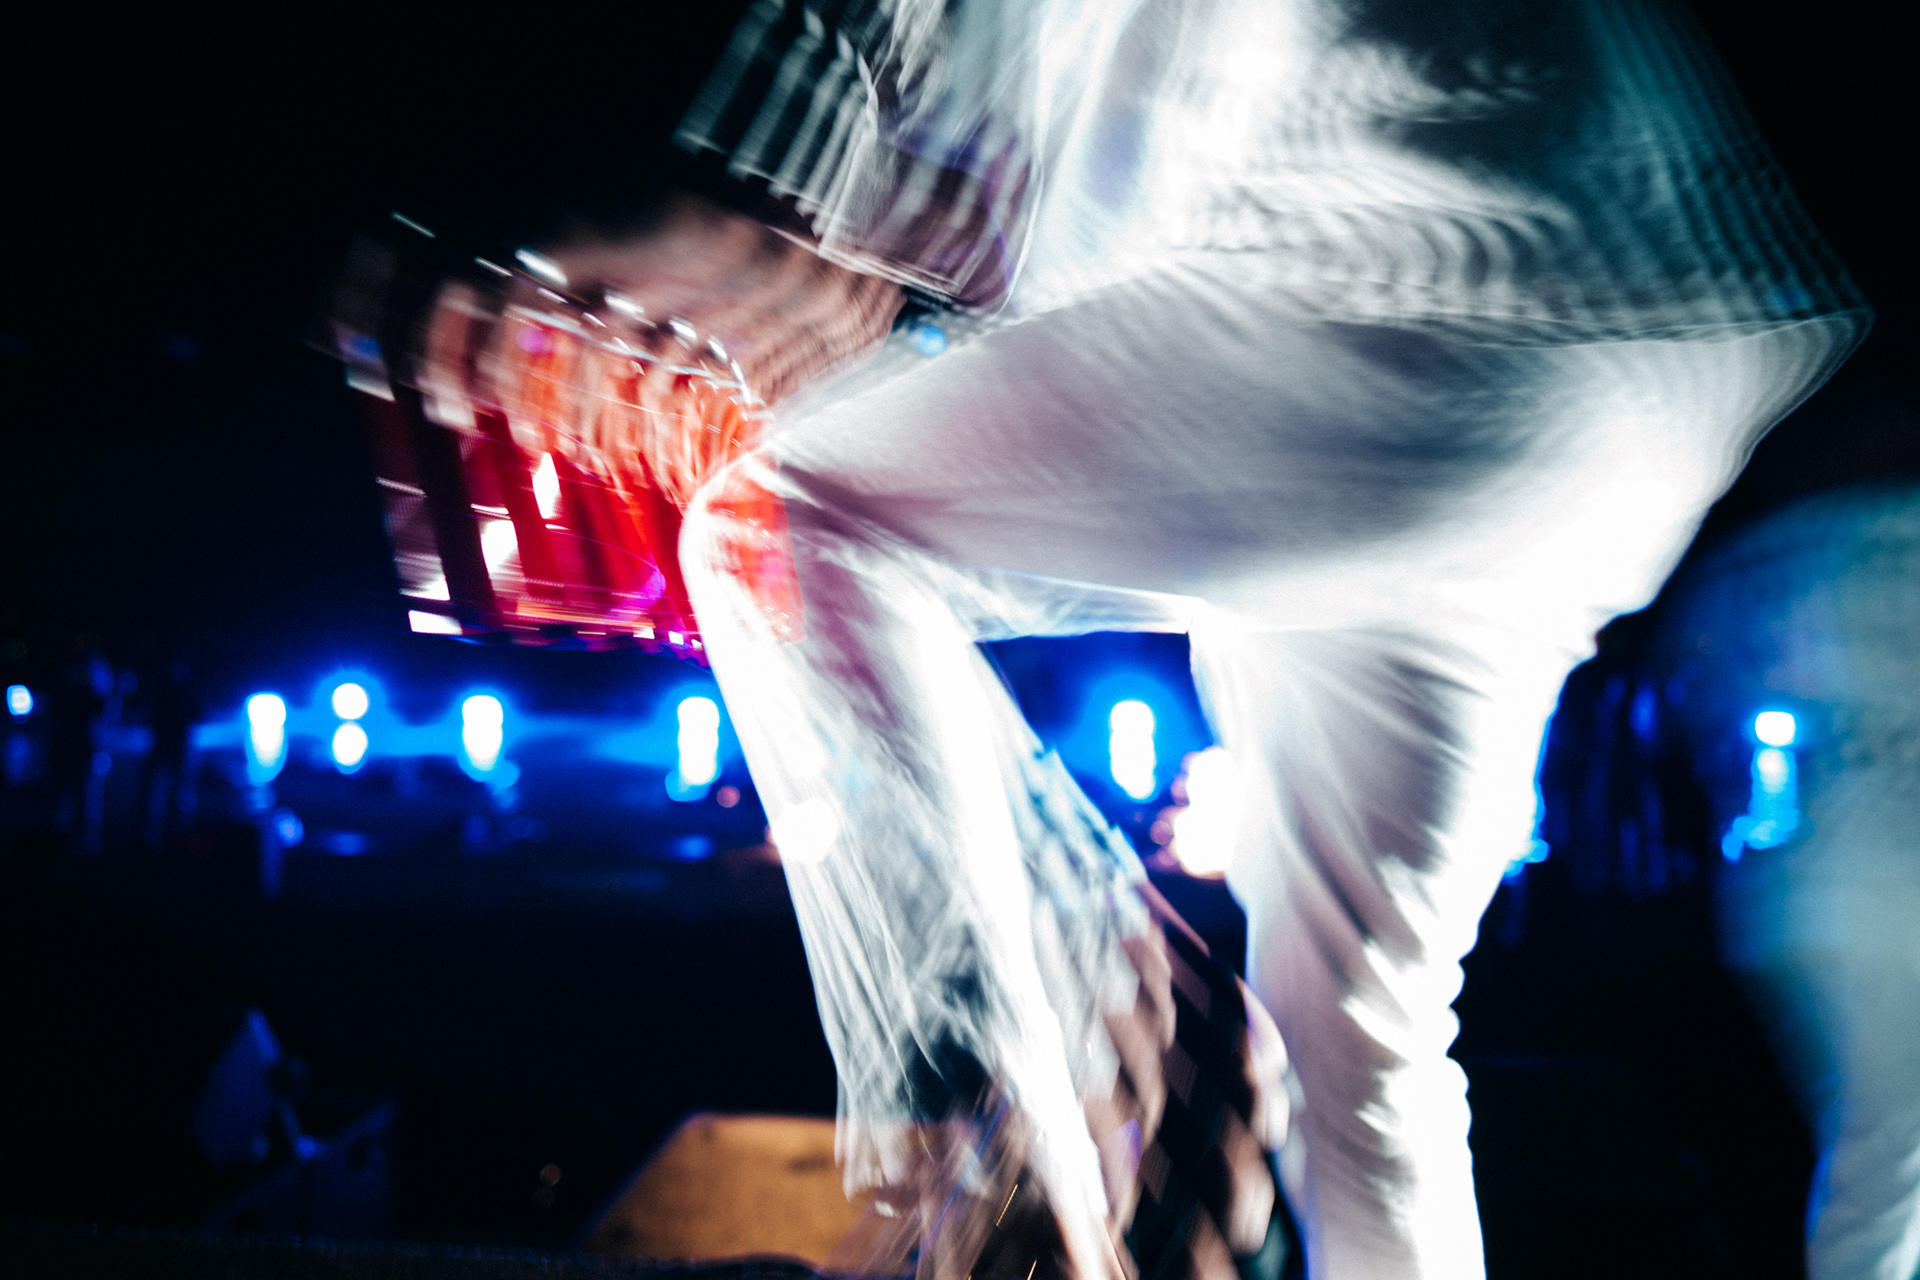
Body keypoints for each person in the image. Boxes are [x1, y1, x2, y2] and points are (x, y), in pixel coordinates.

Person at [433, 0, 1867, 1274]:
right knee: (1362, 1042)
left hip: (1409, 311)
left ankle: (1065, 1084)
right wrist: (787, 244)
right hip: (1622, 407)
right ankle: (1093, 1082)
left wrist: (742, 211)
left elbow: (922, 118)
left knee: (782, 519)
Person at [1663, 485, 1920, 1280]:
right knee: (1888, 1146)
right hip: (1870, 900)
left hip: (1803, 904)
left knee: (1880, 1145)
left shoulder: (1770, 555)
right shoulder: (1870, 540)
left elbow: (1696, 694)